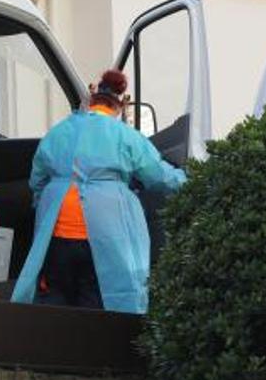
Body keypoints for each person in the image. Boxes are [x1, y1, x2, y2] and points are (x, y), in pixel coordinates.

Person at [11, 69, 187, 314]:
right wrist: (190, 180)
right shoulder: (125, 135)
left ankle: (55, 350)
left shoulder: (58, 132)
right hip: (104, 236)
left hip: (57, 234)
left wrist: (46, 205)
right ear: (121, 105)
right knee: (97, 306)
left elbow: (37, 180)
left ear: (91, 98)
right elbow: (158, 175)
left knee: (56, 304)